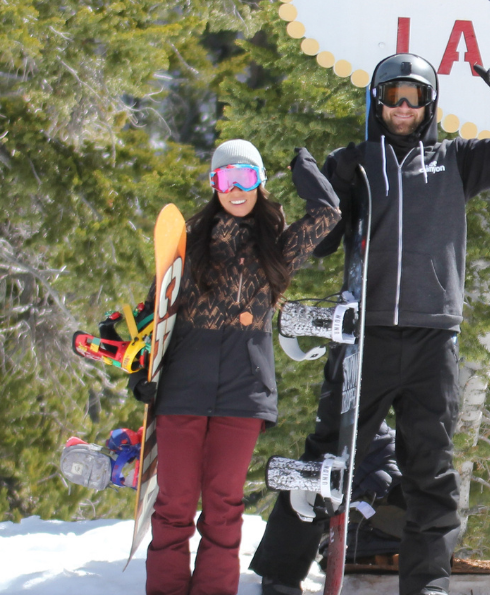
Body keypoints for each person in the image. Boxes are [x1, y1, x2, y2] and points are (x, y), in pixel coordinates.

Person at [251, 53, 490, 595]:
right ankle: (280, 575)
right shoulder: (354, 162)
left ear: (429, 104)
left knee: (431, 466)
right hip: (366, 335)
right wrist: (319, 195)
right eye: (391, 97)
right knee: (330, 451)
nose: (402, 108)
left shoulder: (457, 160)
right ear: (377, 102)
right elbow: (328, 239)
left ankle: (427, 583)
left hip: (434, 338)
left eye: (413, 98)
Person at [129, 139, 340, 595]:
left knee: (224, 506)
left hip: (243, 392)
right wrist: (142, 373)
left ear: (260, 182)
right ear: (214, 184)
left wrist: (303, 166)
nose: (236, 189)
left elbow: (328, 213)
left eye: (246, 177)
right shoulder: (186, 241)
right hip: (184, 386)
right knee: (174, 504)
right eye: (227, 179)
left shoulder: (277, 246)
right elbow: (154, 315)